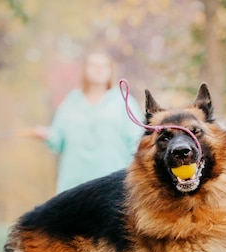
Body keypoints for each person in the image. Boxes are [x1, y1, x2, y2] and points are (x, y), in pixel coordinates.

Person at [31, 51, 143, 193]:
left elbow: (137, 141)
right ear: (84, 70)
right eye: (93, 65)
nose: (98, 69)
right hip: (73, 185)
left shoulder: (123, 102)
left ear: (110, 71)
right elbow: (58, 139)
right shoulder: (71, 101)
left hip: (111, 186)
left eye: (104, 66)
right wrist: (47, 134)